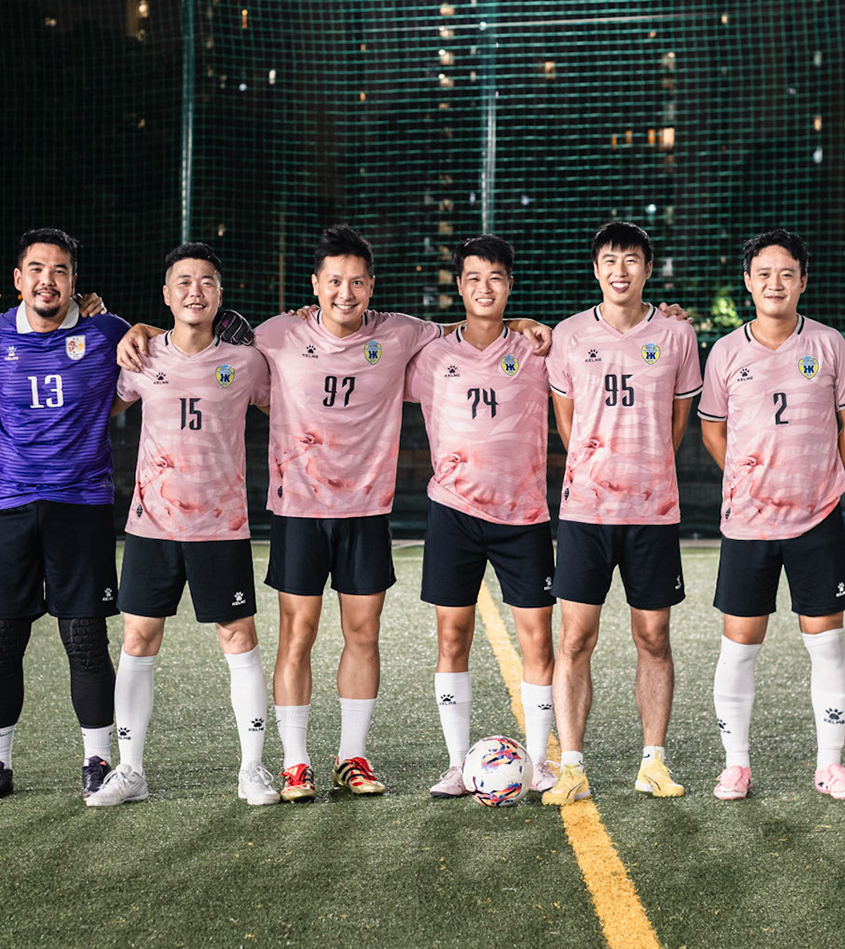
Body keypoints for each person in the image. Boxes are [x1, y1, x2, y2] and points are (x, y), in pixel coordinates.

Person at [118, 224, 547, 802]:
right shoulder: (272, 336)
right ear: (315, 285)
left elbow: (467, 328)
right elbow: (200, 334)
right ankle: (295, 763)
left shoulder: (401, 335)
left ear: (372, 287)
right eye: (334, 281)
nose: (346, 293)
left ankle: (352, 757)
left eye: (357, 282)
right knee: (297, 634)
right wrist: (141, 327)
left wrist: (519, 323)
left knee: (362, 634)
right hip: (297, 510)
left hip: (366, 512)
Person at [85, 243, 281, 808]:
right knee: (139, 639)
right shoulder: (141, 358)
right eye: (184, 282)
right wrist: (116, 332)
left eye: (207, 283)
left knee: (238, 639)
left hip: (222, 528)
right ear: (167, 294)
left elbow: (291, 407)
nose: (196, 291)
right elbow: (101, 402)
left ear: (220, 295)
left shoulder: (247, 364)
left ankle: (252, 769)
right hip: (152, 526)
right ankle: (130, 771)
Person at [0, 229, 132, 803]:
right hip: (6, 504)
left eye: (59, 270)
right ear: (18, 279)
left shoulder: (108, 332)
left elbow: (159, 354)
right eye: (36, 269)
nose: (47, 280)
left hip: (80, 503)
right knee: (0, 641)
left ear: (75, 282)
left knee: (84, 638)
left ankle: (97, 759)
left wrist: (148, 328)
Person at [699, 230, 845, 802]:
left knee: (826, 644)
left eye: (786, 273)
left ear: (803, 280)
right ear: (748, 281)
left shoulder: (828, 345)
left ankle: (830, 766)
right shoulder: (725, 351)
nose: (775, 283)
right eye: (763, 273)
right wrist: (746, 478)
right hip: (747, 521)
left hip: (815, 519)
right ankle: (736, 766)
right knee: (740, 644)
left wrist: (819, 478)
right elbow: (712, 428)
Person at [541, 222, 703, 806]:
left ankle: (653, 762)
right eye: (609, 260)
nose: (619, 270)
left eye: (631, 260)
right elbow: (566, 422)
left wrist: (644, 465)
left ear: (647, 270)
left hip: (652, 512)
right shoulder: (567, 335)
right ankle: (573, 767)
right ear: (595, 269)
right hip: (585, 511)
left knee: (653, 637)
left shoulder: (678, 335)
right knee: (575, 638)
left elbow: (678, 424)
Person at [404, 235, 559, 798]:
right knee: (452, 637)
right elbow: (365, 358)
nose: (484, 287)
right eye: (473, 278)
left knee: (537, 641)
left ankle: (540, 761)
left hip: (524, 516)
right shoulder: (432, 355)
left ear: (509, 285)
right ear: (460, 286)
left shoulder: (541, 350)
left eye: (495, 277)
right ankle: (454, 763)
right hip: (453, 513)